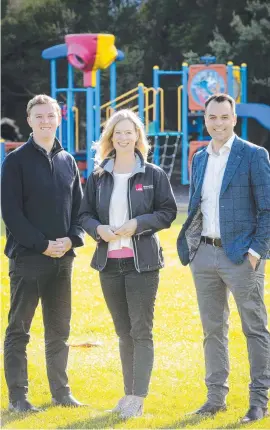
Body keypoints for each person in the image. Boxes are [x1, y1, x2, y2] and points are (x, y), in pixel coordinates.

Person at [177, 93, 270, 423]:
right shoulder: (200, 158)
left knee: (254, 329)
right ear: (206, 120)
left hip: (242, 258)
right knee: (212, 330)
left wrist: (256, 253)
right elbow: (198, 207)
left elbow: (267, 209)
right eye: (212, 117)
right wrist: (193, 249)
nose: (218, 123)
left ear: (234, 119)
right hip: (204, 256)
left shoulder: (253, 155)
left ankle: (259, 401)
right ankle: (215, 398)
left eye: (223, 117)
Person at [79, 109, 177, 419]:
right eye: (117, 132)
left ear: (138, 137)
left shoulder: (153, 174)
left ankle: (138, 397)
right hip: (109, 265)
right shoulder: (97, 175)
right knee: (123, 333)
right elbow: (84, 215)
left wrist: (138, 224)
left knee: (141, 332)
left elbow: (167, 212)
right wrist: (99, 230)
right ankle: (127, 394)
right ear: (110, 137)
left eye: (129, 132)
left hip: (142, 265)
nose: (123, 137)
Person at [1, 94, 85, 412]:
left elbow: (79, 207)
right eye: (39, 116)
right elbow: (11, 213)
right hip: (28, 259)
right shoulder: (15, 161)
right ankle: (18, 398)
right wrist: (42, 244)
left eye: (50, 115)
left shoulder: (68, 162)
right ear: (29, 121)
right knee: (19, 330)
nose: (45, 121)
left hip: (63, 260)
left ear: (58, 118)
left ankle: (61, 392)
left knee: (59, 331)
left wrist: (72, 239)